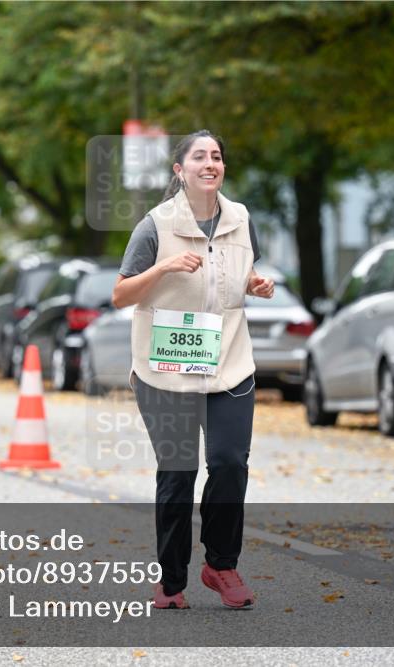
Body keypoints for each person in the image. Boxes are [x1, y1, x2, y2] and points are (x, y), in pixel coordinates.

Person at [112, 130, 274, 609]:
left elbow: (231, 276)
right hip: (165, 369)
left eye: (217, 156)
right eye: (199, 156)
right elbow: (121, 294)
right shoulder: (155, 226)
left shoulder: (242, 219)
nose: (210, 163)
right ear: (179, 170)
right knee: (179, 472)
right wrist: (163, 269)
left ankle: (221, 565)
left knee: (228, 464)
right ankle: (171, 578)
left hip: (228, 362)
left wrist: (255, 284)